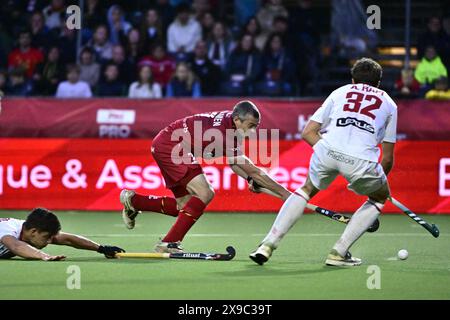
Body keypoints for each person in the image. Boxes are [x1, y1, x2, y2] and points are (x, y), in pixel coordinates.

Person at [250, 58, 397, 267]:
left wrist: (329, 153)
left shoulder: (340, 92)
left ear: (353, 79)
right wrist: (375, 183)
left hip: (327, 150)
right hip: (362, 161)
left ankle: (267, 244)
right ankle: (339, 252)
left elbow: (308, 132)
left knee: (306, 189)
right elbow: (388, 158)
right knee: (379, 198)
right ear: (379, 82)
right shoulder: (390, 104)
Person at [120, 101, 290, 253]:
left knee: (185, 206)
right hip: (172, 146)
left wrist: (249, 180)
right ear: (237, 119)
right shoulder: (224, 134)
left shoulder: (232, 124)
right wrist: (286, 194)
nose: (253, 131)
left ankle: (134, 201)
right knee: (205, 193)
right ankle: (169, 243)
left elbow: (235, 164)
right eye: (251, 125)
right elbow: (253, 170)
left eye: (256, 127)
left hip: (167, 143)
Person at [0, 208, 125, 260]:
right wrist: (44, 256)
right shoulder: (7, 230)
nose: (49, 242)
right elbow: (16, 247)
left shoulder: (31, 229)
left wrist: (101, 248)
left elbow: (67, 239)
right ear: (33, 232)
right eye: (46, 237)